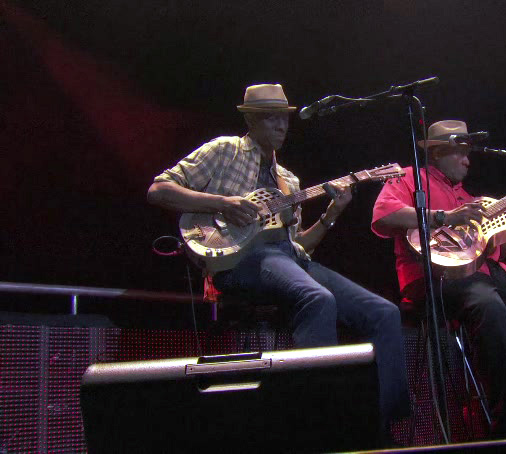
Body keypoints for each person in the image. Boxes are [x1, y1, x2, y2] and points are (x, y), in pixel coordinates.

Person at [147, 83, 409, 430]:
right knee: (317, 298)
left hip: (287, 259)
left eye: (284, 118)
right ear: (251, 120)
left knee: (384, 313)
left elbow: (300, 245)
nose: (282, 125)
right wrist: (221, 203)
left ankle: (380, 425)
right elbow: (159, 189)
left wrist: (332, 213)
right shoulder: (225, 151)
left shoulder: (289, 181)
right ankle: (318, 421)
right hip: (239, 261)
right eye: (271, 118)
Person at [371, 120, 506, 442]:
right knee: (488, 305)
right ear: (437, 152)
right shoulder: (409, 177)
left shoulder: (469, 198)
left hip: (486, 275)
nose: (468, 161)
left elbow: (501, 250)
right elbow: (383, 215)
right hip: (433, 277)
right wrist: (444, 217)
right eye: (461, 153)